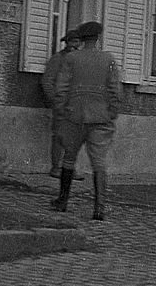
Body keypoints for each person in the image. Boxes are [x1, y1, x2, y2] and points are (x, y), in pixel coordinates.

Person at [51, 21, 123, 220]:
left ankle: (62, 201)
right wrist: (112, 112)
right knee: (99, 162)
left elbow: (61, 89)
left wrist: (62, 111)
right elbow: (115, 90)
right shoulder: (108, 59)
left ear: (81, 39)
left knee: (68, 158)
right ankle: (99, 208)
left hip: (74, 116)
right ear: (98, 37)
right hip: (100, 117)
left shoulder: (72, 58)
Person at [41, 29, 83, 178]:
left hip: (76, 105)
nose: (74, 46)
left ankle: (69, 169)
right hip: (61, 104)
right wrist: (56, 101)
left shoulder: (80, 61)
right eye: (71, 42)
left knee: (74, 139)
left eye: (77, 42)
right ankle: (56, 168)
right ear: (66, 43)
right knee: (59, 137)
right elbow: (47, 82)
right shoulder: (57, 59)